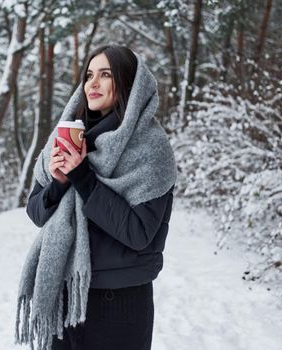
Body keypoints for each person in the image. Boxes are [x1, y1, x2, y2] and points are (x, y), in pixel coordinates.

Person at [15, 45, 177, 350]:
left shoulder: (151, 149)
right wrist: (58, 183)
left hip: (119, 303)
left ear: (130, 82)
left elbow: (138, 233)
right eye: (89, 75)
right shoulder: (67, 137)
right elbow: (36, 213)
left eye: (105, 74)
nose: (93, 83)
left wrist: (82, 177)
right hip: (65, 294)